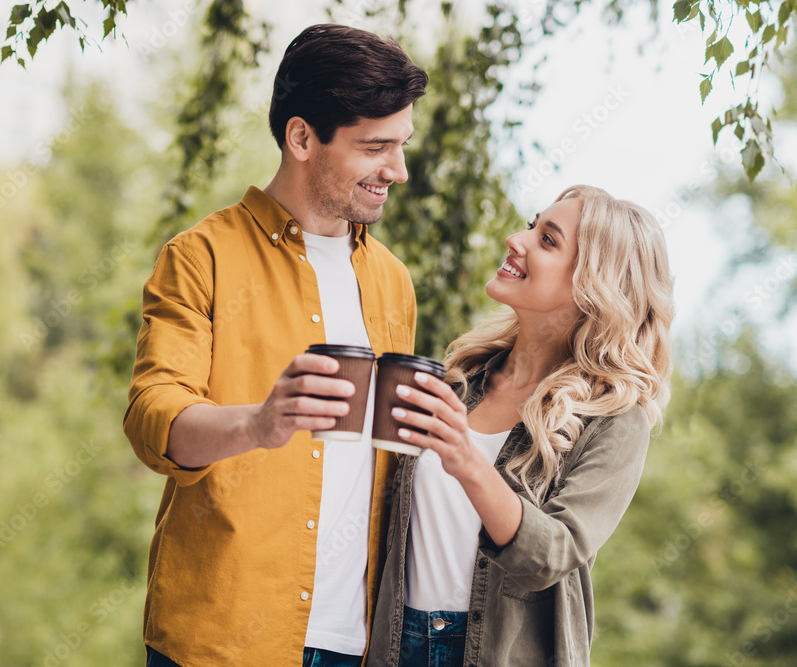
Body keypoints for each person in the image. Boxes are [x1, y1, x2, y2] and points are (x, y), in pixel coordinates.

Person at [123, 24, 428, 667]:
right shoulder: (201, 257)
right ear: (301, 138)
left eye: (401, 145)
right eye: (376, 147)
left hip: (355, 641)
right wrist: (260, 423)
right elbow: (153, 417)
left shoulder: (393, 282)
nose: (397, 171)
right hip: (221, 638)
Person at [366, 185, 675, 666]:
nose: (517, 239)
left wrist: (467, 462)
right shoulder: (460, 381)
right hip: (393, 645)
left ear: (592, 286)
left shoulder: (615, 418)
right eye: (532, 225)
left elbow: (554, 552)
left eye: (547, 240)